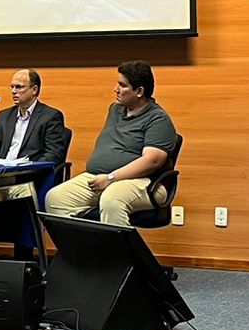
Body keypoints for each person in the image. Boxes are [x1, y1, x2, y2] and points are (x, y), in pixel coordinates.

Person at [45, 61, 176, 226]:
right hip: (100, 177)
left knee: (112, 199)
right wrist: (106, 177)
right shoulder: (115, 110)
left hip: (144, 183)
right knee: (56, 198)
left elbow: (152, 161)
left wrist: (111, 178)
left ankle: (117, 245)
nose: (116, 89)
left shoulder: (158, 119)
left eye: (122, 85)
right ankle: (82, 243)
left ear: (139, 91)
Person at [0, 68, 69, 166]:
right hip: (0, 170)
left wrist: (27, 168)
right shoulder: (4, 116)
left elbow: (53, 155)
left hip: (29, 172)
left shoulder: (50, 116)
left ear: (34, 90)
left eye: (19, 87)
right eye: (12, 87)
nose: (13, 91)